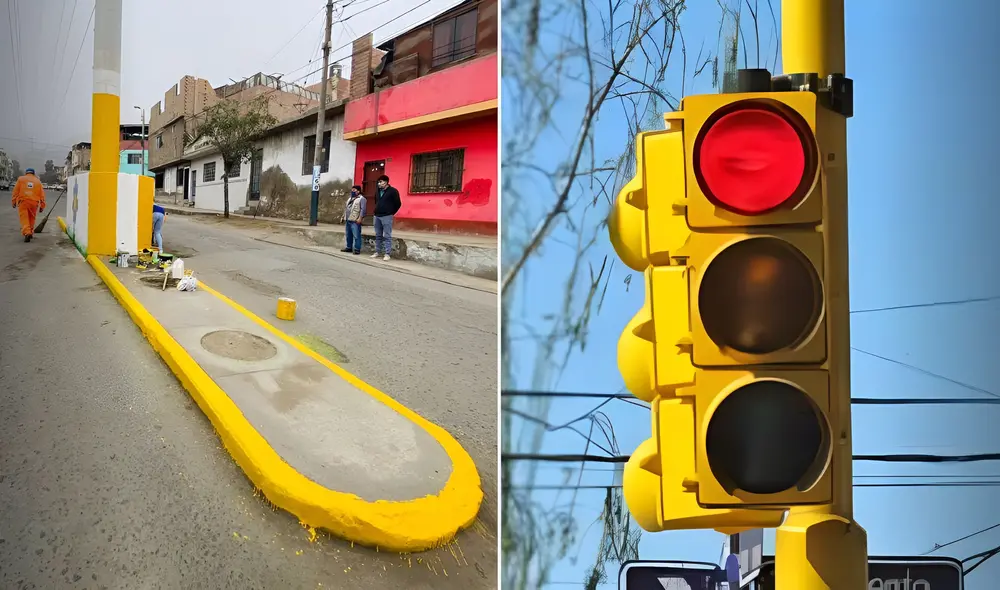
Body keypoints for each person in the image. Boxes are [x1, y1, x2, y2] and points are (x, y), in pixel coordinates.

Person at [371, 174, 401, 261]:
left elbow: (398, 203)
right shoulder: (377, 191)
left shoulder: (393, 191)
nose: (379, 184)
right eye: (378, 182)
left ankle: (387, 254)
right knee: (378, 235)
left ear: (386, 182)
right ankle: (377, 252)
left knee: (387, 235)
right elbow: (376, 201)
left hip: (387, 216)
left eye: (380, 182)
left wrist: (391, 212)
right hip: (377, 216)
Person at [11, 168, 45, 242]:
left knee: (24, 218)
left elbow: (15, 191)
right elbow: (42, 195)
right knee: (31, 218)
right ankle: (30, 232)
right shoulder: (38, 181)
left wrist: (13, 201)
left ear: (26, 173)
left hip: (23, 201)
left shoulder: (21, 179)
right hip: (34, 203)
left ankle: (27, 232)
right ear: (33, 173)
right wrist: (42, 206)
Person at [340, 185, 366, 255]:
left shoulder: (362, 199)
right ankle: (349, 247)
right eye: (352, 190)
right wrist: (343, 217)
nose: (352, 191)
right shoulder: (350, 199)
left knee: (356, 235)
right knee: (348, 235)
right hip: (348, 219)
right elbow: (346, 208)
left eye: (354, 190)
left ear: (358, 191)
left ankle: (357, 249)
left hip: (355, 220)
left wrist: (360, 218)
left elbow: (363, 210)